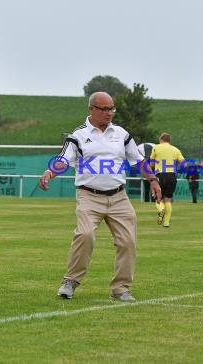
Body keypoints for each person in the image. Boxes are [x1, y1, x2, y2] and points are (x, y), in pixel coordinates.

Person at [39, 92, 161, 302]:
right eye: (104, 109)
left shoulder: (121, 134)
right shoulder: (78, 135)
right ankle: (71, 280)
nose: (109, 113)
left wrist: (153, 179)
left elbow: (138, 160)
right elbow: (63, 159)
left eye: (112, 108)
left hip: (119, 197)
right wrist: (50, 172)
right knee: (85, 235)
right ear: (91, 109)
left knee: (128, 242)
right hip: (89, 196)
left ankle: (121, 288)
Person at [149, 132, 185, 227]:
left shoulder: (156, 148)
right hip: (172, 176)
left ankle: (161, 210)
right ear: (169, 141)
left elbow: (151, 165)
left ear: (161, 140)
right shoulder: (176, 150)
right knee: (168, 199)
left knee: (158, 198)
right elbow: (184, 164)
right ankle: (166, 223)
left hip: (160, 175)